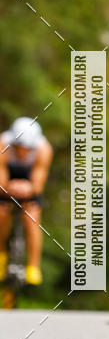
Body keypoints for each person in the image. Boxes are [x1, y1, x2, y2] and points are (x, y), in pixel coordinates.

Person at [0, 117, 53, 285]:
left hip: (29, 181)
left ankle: (33, 266)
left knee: (32, 217)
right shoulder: (2, 144)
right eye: (19, 147)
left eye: (26, 148)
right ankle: (1, 255)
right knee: (2, 214)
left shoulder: (44, 149)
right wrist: (8, 188)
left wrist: (30, 189)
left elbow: (39, 181)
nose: (22, 152)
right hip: (8, 179)